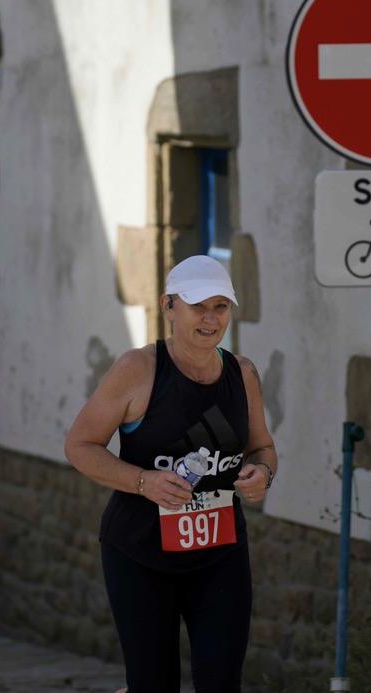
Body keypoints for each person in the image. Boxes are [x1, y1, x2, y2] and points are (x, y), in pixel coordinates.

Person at [64, 255, 278, 693]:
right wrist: (144, 482)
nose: (210, 318)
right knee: (154, 684)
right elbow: (79, 445)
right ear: (168, 306)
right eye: (198, 305)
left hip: (219, 553)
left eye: (220, 306)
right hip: (140, 553)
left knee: (221, 683)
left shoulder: (242, 374)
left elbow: (262, 447)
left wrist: (262, 472)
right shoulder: (138, 369)